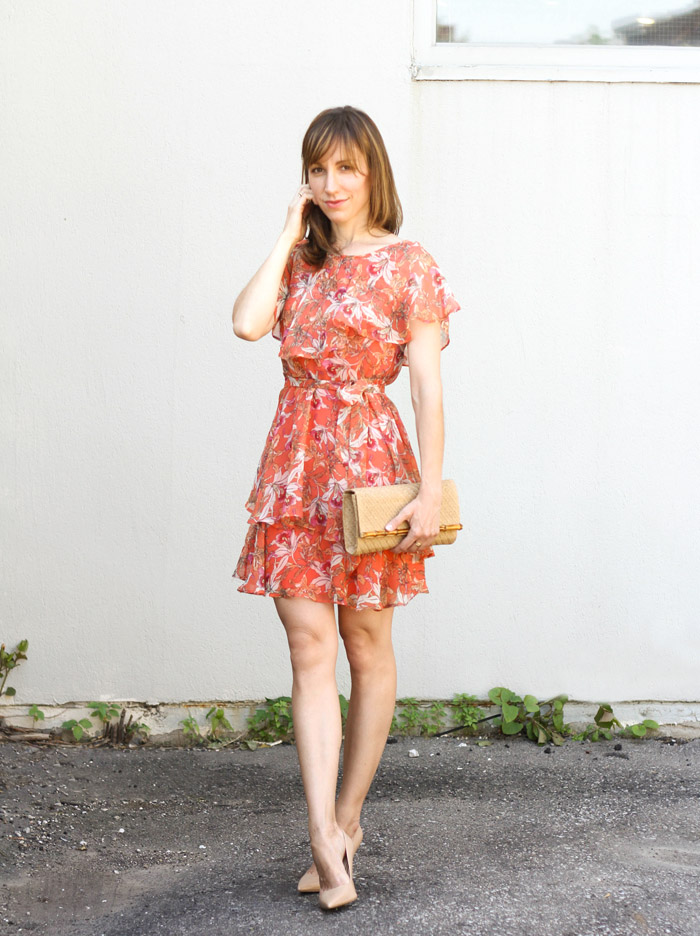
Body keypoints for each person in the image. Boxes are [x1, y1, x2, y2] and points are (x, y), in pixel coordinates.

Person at [231, 105, 460, 911]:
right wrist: (287, 230)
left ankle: (348, 819)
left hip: (371, 466)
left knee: (367, 643)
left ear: (374, 175)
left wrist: (430, 486)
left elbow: (428, 385)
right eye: (317, 170)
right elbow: (247, 324)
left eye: (346, 170)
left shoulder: (410, 265)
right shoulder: (299, 262)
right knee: (308, 648)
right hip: (295, 465)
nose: (331, 185)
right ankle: (322, 838)